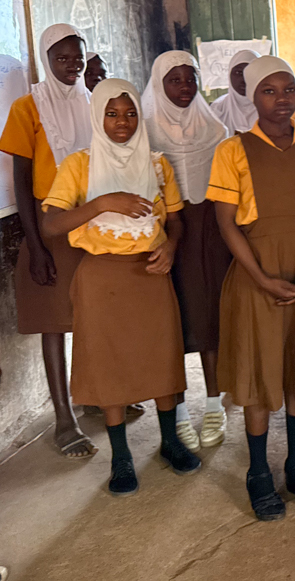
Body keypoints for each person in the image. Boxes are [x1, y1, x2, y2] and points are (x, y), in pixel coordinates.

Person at [40, 79, 198, 495]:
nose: (122, 122)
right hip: (102, 278)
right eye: (111, 114)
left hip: (150, 273)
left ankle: (169, 442)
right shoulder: (79, 165)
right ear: (98, 117)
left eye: (129, 114)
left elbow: (177, 220)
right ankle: (122, 457)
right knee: (110, 365)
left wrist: (171, 246)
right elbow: (51, 225)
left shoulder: (157, 164)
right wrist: (102, 203)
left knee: (161, 357)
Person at [207, 56, 295, 521]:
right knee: (260, 370)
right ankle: (259, 472)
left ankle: (294, 464)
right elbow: (226, 223)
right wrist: (261, 277)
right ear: (252, 96)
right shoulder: (233, 150)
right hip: (256, 272)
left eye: (289, 90)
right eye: (270, 90)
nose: (282, 99)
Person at [0, 24, 95, 458]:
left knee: (92, 314)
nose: (71, 65)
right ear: (45, 59)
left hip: (90, 219)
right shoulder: (27, 107)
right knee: (54, 321)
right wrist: (34, 245)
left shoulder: (92, 103)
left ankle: (94, 394)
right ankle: (63, 418)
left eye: (77, 57)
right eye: (62, 58)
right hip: (48, 222)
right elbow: (20, 180)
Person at [142, 51, 231, 451]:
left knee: (209, 315)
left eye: (190, 79)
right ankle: (177, 412)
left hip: (209, 234)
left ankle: (214, 403)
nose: (184, 88)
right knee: (169, 324)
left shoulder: (215, 129)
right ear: (158, 84)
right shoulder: (144, 133)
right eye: (174, 80)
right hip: (163, 237)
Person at [210, 49, 260, 135]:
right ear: (229, 74)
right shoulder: (218, 110)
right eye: (238, 72)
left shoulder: (271, 108)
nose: (244, 78)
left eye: (250, 72)